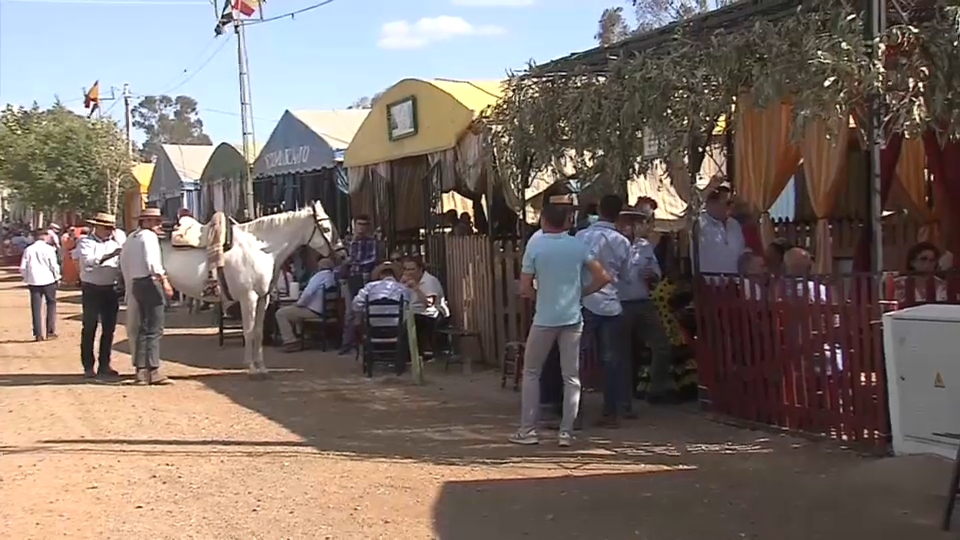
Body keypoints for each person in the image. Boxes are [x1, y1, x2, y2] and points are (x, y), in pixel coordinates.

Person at [510, 203, 611, 448]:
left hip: (545, 317)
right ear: (565, 221)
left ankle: (528, 430)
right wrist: (581, 293)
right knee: (572, 377)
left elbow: (524, 288)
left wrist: (540, 296)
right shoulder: (578, 246)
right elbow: (603, 276)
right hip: (572, 317)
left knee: (532, 372)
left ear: (544, 220)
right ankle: (566, 432)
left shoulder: (535, 246)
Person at [575, 194, 631, 428]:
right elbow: (626, 276)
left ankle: (574, 412)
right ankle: (611, 411)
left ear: (598, 208)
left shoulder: (581, 237)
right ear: (618, 214)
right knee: (611, 360)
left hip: (585, 301)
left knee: (575, 359)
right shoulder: (623, 242)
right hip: (612, 303)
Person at [618, 205, 675, 408]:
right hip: (620, 303)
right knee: (623, 351)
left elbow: (657, 272)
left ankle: (655, 390)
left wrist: (652, 275)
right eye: (627, 222)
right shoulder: (613, 245)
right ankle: (624, 397)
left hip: (643, 301)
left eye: (634, 223)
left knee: (661, 345)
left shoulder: (644, 246)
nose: (631, 227)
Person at [121, 207, 174, 385]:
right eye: (155, 221)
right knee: (155, 327)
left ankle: (141, 371)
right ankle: (154, 369)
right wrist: (165, 281)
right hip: (150, 282)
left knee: (144, 327)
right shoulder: (149, 237)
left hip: (136, 283)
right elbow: (153, 263)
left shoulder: (131, 238)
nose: (159, 225)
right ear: (146, 222)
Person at [74, 212, 127, 379]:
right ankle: (88, 366)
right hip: (92, 288)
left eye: (111, 228)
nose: (109, 231)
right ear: (96, 227)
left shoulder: (116, 242)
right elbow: (89, 261)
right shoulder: (85, 242)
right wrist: (110, 255)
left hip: (110, 288)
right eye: (106, 228)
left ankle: (105, 364)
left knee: (109, 328)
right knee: (90, 327)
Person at [351, 261, 414, 374]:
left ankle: (366, 356)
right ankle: (401, 363)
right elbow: (408, 307)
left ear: (380, 276)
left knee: (358, 321)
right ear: (394, 276)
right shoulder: (403, 289)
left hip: (373, 329)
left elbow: (355, 305)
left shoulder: (369, 287)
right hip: (395, 329)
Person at [275, 258, 337, 352]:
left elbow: (308, 293)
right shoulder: (332, 277)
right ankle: (299, 337)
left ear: (319, 266)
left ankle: (290, 342)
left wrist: (299, 303)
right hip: (327, 311)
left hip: (314, 311)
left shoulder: (318, 276)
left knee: (281, 313)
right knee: (292, 311)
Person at [339, 215, 378, 354]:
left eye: (365, 225)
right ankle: (347, 344)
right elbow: (340, 260)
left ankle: (366, 343)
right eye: (359, 224)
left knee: (365, 310)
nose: (362, 228)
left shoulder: (371, 242)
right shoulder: (346, 242)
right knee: (349, 312)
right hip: (349, 279)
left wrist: (352, 261)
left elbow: (372, 259)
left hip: (364, 278)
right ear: (354, 225)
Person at [400, 255, 450, 356]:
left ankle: (413, 355)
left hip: (431, 314)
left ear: (420, 269)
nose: (408, 272)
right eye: (406, 269)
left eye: (412, 269)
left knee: (414, 321)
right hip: (413, 312)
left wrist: (416, 288)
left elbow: (429, 303)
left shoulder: (429, 281)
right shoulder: (406, 281)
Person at [695, 182, 749, 275]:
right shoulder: (699, 225)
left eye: (732, 203)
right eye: (728, 203)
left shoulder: (735, 224)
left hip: (734, 282)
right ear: (711, 203)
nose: (732, 206)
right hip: (707, 283)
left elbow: (741, 252)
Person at [19, 229, 60, 342]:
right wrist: (57, 277)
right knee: (51, 304)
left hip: (34, 281)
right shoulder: (49, 249)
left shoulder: (28, 249)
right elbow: (54, 265)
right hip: (48, 280)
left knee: (36, 307)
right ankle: (50, 331)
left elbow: (23, 267)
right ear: (44, 236)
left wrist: (27, 278)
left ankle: (38, 334)